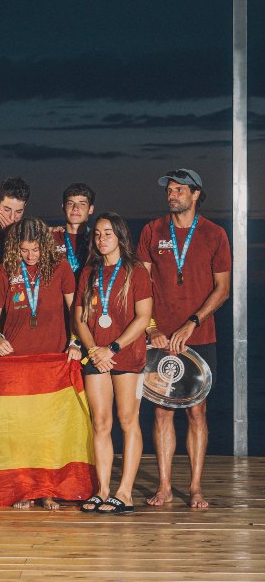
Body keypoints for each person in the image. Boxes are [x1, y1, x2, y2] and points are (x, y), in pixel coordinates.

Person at [137, 169, 230, 509]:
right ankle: (164, 487)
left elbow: (222, 289)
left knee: (197, 412)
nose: (172, 195)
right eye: (170, 190)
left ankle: (194, 488)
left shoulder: (214, 234)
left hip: (199, 336)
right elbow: (141, 285)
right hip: (160, 338)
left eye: (179, 190)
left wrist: (192, 323)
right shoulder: (152, 230)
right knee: (162, 412)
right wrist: (150, 328)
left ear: (196, 195)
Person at [0, 216, 79, 510]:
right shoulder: (5, 270)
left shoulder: (60, 268)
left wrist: (75, 342)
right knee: (19, 428)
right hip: (16, 362)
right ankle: (23, 488)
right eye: (24, 250)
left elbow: (76, 312)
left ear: (46, 246)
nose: (30, 256)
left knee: (49, 429)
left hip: (52, 361)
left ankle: (47, 489)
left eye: (35, 250)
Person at [74, 213, 152, 514]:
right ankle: (103, 489)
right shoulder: (89, 272)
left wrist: (113, 347)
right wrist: (94, 349)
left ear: (120, 236)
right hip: (96, 356)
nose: (102, 239)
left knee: (127, 420)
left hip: (126, 355)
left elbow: (143, 317)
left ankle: (125, 492)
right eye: (97, 234)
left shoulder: (135, 270)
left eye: (108, 233)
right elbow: (80, 318)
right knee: (100, 422)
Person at [52, 183, 95, 276]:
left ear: (91, 209)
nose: (75, 208)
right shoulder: (50, 237)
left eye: (82, 204)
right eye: (70, 203)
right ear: (63, 207)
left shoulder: (97, 239)